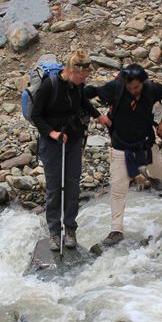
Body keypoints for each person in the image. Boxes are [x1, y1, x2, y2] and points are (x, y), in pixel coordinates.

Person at [85, 63, 162, 247]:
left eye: (136, 87)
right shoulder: (115, 88)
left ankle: (144, 174)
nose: (133, 91)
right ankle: (116, 230)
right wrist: (97, 114)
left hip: (145, 142)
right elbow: (89, 94)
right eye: (130, 87)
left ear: (143, 82)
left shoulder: (152, 89)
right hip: (120, 145)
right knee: (118, 189)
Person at [31, 50, 111, 251]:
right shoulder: (50, 85)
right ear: (70, 70)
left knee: (72, 185)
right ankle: (54, 232)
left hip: (73, 139)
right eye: (81, 76)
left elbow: (83, 101)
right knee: (54, 187)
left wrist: (98, 116)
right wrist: (53, 134)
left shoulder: (78, 84)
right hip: (52, 143)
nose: (83, 80)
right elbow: (36, 116)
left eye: (85, 77)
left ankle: (70, 229)